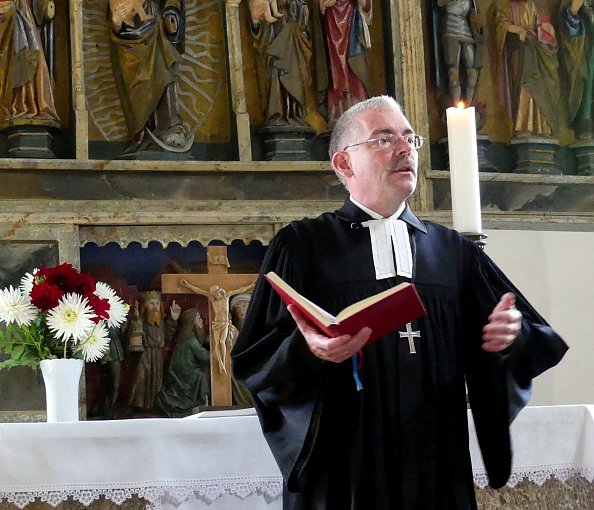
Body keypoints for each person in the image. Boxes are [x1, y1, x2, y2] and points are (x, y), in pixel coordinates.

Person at [231, 95, 568, 509]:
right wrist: (307, 350)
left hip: (435, 462)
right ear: (344, 164)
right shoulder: (302, 247)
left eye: (410, 138)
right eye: (383, 139)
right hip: (345, 470)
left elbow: (530, 340)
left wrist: (509, 337)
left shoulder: (452, 252)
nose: (405, 149)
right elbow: (254, 360)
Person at [108, 0, 192, 154]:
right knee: (140, 85)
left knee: (164, 70)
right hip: (130, 42)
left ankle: (170, 127)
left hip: (157, 30)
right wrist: (116, 22)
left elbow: (171, 3)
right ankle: (143, 132)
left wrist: (170, 15)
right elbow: (115, 17)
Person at [249, 0, 327, 133]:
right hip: (274, 40)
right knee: (276, 77)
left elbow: (305, 21)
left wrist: (304, 14)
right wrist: (255, 20)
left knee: (296, 74)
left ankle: (295, 114)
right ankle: (276, 114)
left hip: (294, 40)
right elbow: (259, 27)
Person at [492, 0, 560, 138]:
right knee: (527, 83)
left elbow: (546, 36)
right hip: (521, 50)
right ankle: (523, 124)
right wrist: (512, 28)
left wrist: (551, 35)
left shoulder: (539, 6)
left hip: (539, 50)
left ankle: (543, 126)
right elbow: (501, 21)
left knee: (542, 85)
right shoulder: (504, 4)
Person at [0, 0, 60, 129]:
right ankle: (12, 104)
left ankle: (27, 103)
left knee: (31, 54)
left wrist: (46, 6)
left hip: (23, 16)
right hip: (7, 16)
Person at [179, 279, 255, 375]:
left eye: (216, 291)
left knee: (223, 342)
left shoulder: (227, 296)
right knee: (217, 344)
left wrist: (251, 285)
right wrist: (188, 285)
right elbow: (199, 290)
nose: (215, 294)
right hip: (217, 324)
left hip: (225, 324)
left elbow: (240, 290)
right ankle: (220, 363)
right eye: (213, 293)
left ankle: (224, 362)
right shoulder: (213, 300)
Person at [318, 0, 371, 127]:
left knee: (353, 64)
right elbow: (320, 6)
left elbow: (366, 5)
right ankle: (338, 110)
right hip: (332, 19)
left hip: (351, 19)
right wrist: (323, 5)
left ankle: (357, 108)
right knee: (336, 65)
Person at [128, 292, 180, 410]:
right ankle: (137, 406)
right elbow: (135, 332)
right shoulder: (142, 320)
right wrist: (136, 318)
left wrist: (173, 320)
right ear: (145, 306)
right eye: (151, 303)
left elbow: (167, 337)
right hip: (145, 355)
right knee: (141, 378)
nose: (155, 306)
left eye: (157, 303)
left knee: (157, 381)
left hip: (157, 355)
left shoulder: (161, 322)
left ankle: (154, 406)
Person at [155, 308, 210, 417]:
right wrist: (218, 353)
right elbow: (204, 356)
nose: (201, 321)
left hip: (186, 370)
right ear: (192, 322)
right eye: (198, 318)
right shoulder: (191, 340)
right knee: (202, 377)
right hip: (187, 372)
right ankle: (202, 403)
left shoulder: (187, 338)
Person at [559, 0, 594, 140]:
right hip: (587, 54)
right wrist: (573, 12)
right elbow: (569, 23)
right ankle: (584, 122)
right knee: (586, 83)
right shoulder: (584, 9)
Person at [436, 0, 482, 106]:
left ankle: (469, 106)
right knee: (453, 71)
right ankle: (455, 106)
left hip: (466, 25)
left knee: (472, 72)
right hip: (451, 24)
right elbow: (439, 2)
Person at [229, 293, 253, 406]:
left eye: (244, 306)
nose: (241, 310)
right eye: (237, 307)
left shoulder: (256, 323)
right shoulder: (233, 328)